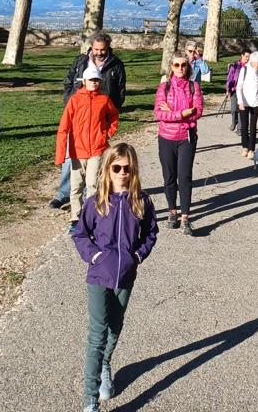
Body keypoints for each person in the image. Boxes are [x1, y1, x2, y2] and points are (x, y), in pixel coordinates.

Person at [72, 142, 158, 412]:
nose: (122, 173)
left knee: (115, 327)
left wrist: (138, 256)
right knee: (98, 334)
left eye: (127, 169)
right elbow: (80, 233)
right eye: (117, 168)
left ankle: (105, 365)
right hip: (99, 276)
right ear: (108, 169)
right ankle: (90, 400)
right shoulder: (96, 202)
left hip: (126, 276)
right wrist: (94, 256)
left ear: (134, 171)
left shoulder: (141, 201)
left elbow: (151, 233)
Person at [50, 32, 126, 209]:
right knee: (72, 159)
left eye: (102, 49)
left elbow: (120, 90)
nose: (99, 52)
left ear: (108, 48)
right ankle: (64, 193)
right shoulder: (81, 61)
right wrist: (69, 100)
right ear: (91, 47)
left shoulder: (116, 65)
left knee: (94, 165)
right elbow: (69, 81)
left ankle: (88, 199)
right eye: (96, 49)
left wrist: (108, 123)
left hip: (100, 118)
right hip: (78, 114)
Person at [55, 67, 119, 231]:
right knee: (76, 186)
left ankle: (91, 218)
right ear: (84, 81)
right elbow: (63, 127)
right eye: (91, 80)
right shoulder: (75, 100)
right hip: (78, 151)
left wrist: (108, 133)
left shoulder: (104, 99)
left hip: (97, 149)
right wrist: (60, 155)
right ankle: (76, 218)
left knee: (92, 185)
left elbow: (114, 115)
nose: (94, 83)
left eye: (97, 80)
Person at [154, 52, 204, 235]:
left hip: (186, 138)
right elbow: (158, 113)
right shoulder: (164, 87)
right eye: (176, 65)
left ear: (188, 67)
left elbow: (198, 112)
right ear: (171, 67)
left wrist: (173, 112)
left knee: (184, 177)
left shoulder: (193, 86)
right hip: (166, 137)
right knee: (169, 176)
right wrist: (182, 114)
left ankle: (185, 217)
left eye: (183, 65)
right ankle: (172, 211)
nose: (180, 68)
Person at [236, 50, 258, 158]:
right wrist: (240, 102)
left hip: (255, 102)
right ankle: (245, 147)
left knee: (253, 126)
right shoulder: (244, 70)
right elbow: (239, 87)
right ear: (255, 62)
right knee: (244, 126)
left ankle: (251, 149)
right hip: (244, 102)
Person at [225, 48, 250, 135]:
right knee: (233, 109)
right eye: (246, 56)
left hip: (244, 92)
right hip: (234, 90)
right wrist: (228, 89)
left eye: (249, 57)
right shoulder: (235, 65)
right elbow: (229, 78)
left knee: (241, 109)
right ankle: (234, 121)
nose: (247, 58)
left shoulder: (250, 67)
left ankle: (240, 129)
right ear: (242, 56)